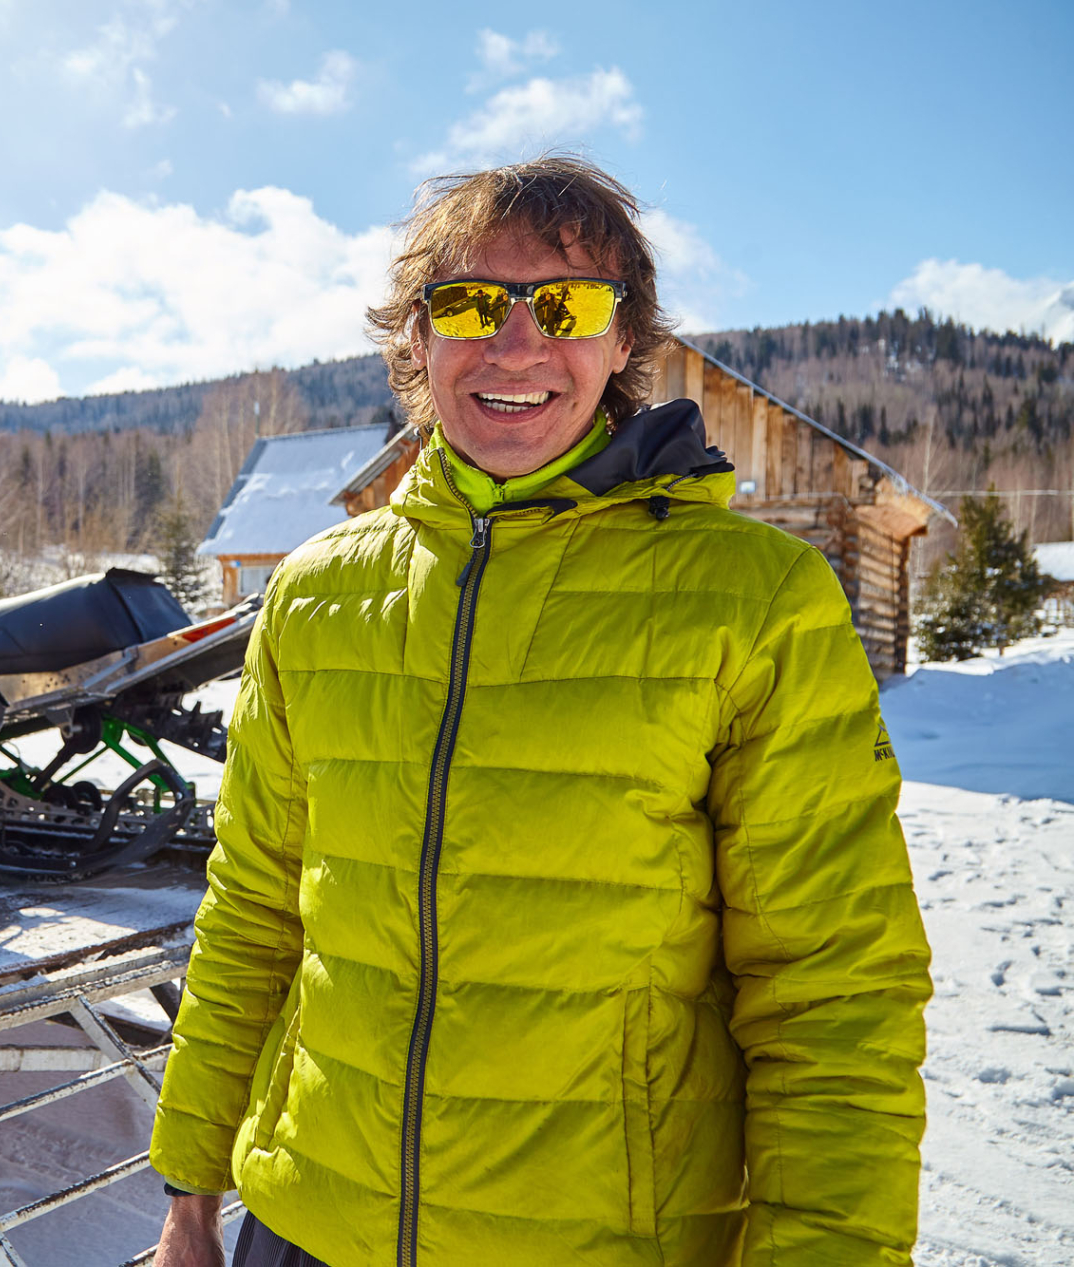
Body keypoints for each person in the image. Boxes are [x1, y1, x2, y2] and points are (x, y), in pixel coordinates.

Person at [148, 156, 932, 1266]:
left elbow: (834, 988)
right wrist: (189, 1189)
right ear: (417, 338)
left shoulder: (753, 601)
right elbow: (252, 910)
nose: (516, 344)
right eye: (470, 303)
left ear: (623, 341)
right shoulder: (318, 594)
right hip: (310, 1222)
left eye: (566, 304)